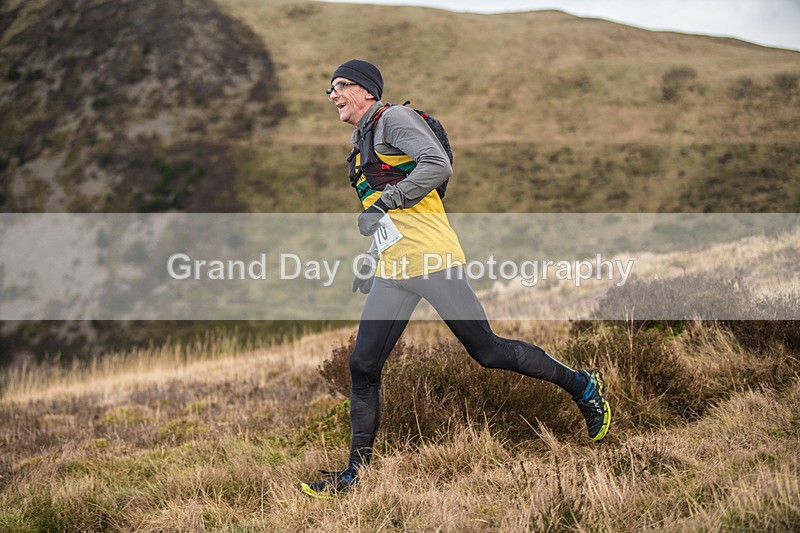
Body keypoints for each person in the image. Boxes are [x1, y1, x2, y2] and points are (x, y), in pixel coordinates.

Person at [299, 60, 611, 498]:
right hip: (396, 269)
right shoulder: (363, 139)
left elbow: (437, 165)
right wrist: (373, 259)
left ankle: (583, 385)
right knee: (363, 366)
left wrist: (385, 203)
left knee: (487, 351)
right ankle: (357, 476)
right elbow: (386, 214)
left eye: (339, 86)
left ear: (366, 90)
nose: (331, 96)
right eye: (327, 90)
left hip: (432, 260)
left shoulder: (394, 120)